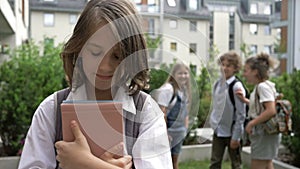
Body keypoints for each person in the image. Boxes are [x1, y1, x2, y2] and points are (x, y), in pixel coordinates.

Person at [18, 0, 172, 169]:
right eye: (96, 52)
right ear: (79, 48)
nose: (105, 66)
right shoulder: (51, 111)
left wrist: (84, 163)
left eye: (117, 56)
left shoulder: (147, 113)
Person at [235, 53, 280, 169]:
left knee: (258, 164)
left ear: (255, 71)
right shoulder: (266, 85)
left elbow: (271, 110)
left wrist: (251, 123)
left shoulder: (262, 87)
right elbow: (261, 107)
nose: (244, 74)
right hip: (266, 132)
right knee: (267, 163)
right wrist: (246, 100)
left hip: (263, 131)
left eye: (246, 71)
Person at [209, 51, 246, 169]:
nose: (224, 68)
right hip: (218, 131)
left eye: (228, 66)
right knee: (215, 163)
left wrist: (236, 136)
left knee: (236, 164)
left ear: (235, 68)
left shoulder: (236, 86)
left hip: (232, 132)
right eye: (222, 64)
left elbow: (241, 114)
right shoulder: (217, 84)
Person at [151, 63, 191, 169]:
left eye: (185, 73)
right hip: (168, 133)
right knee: (163, 163)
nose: (183, 76)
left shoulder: (184, 90)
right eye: (180, 73)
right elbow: (161, 113)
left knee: (174, 162)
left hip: (179, 132)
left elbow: (186, 111)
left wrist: (185, 129)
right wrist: (164, 133)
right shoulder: (168, 89)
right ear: (174, 75)